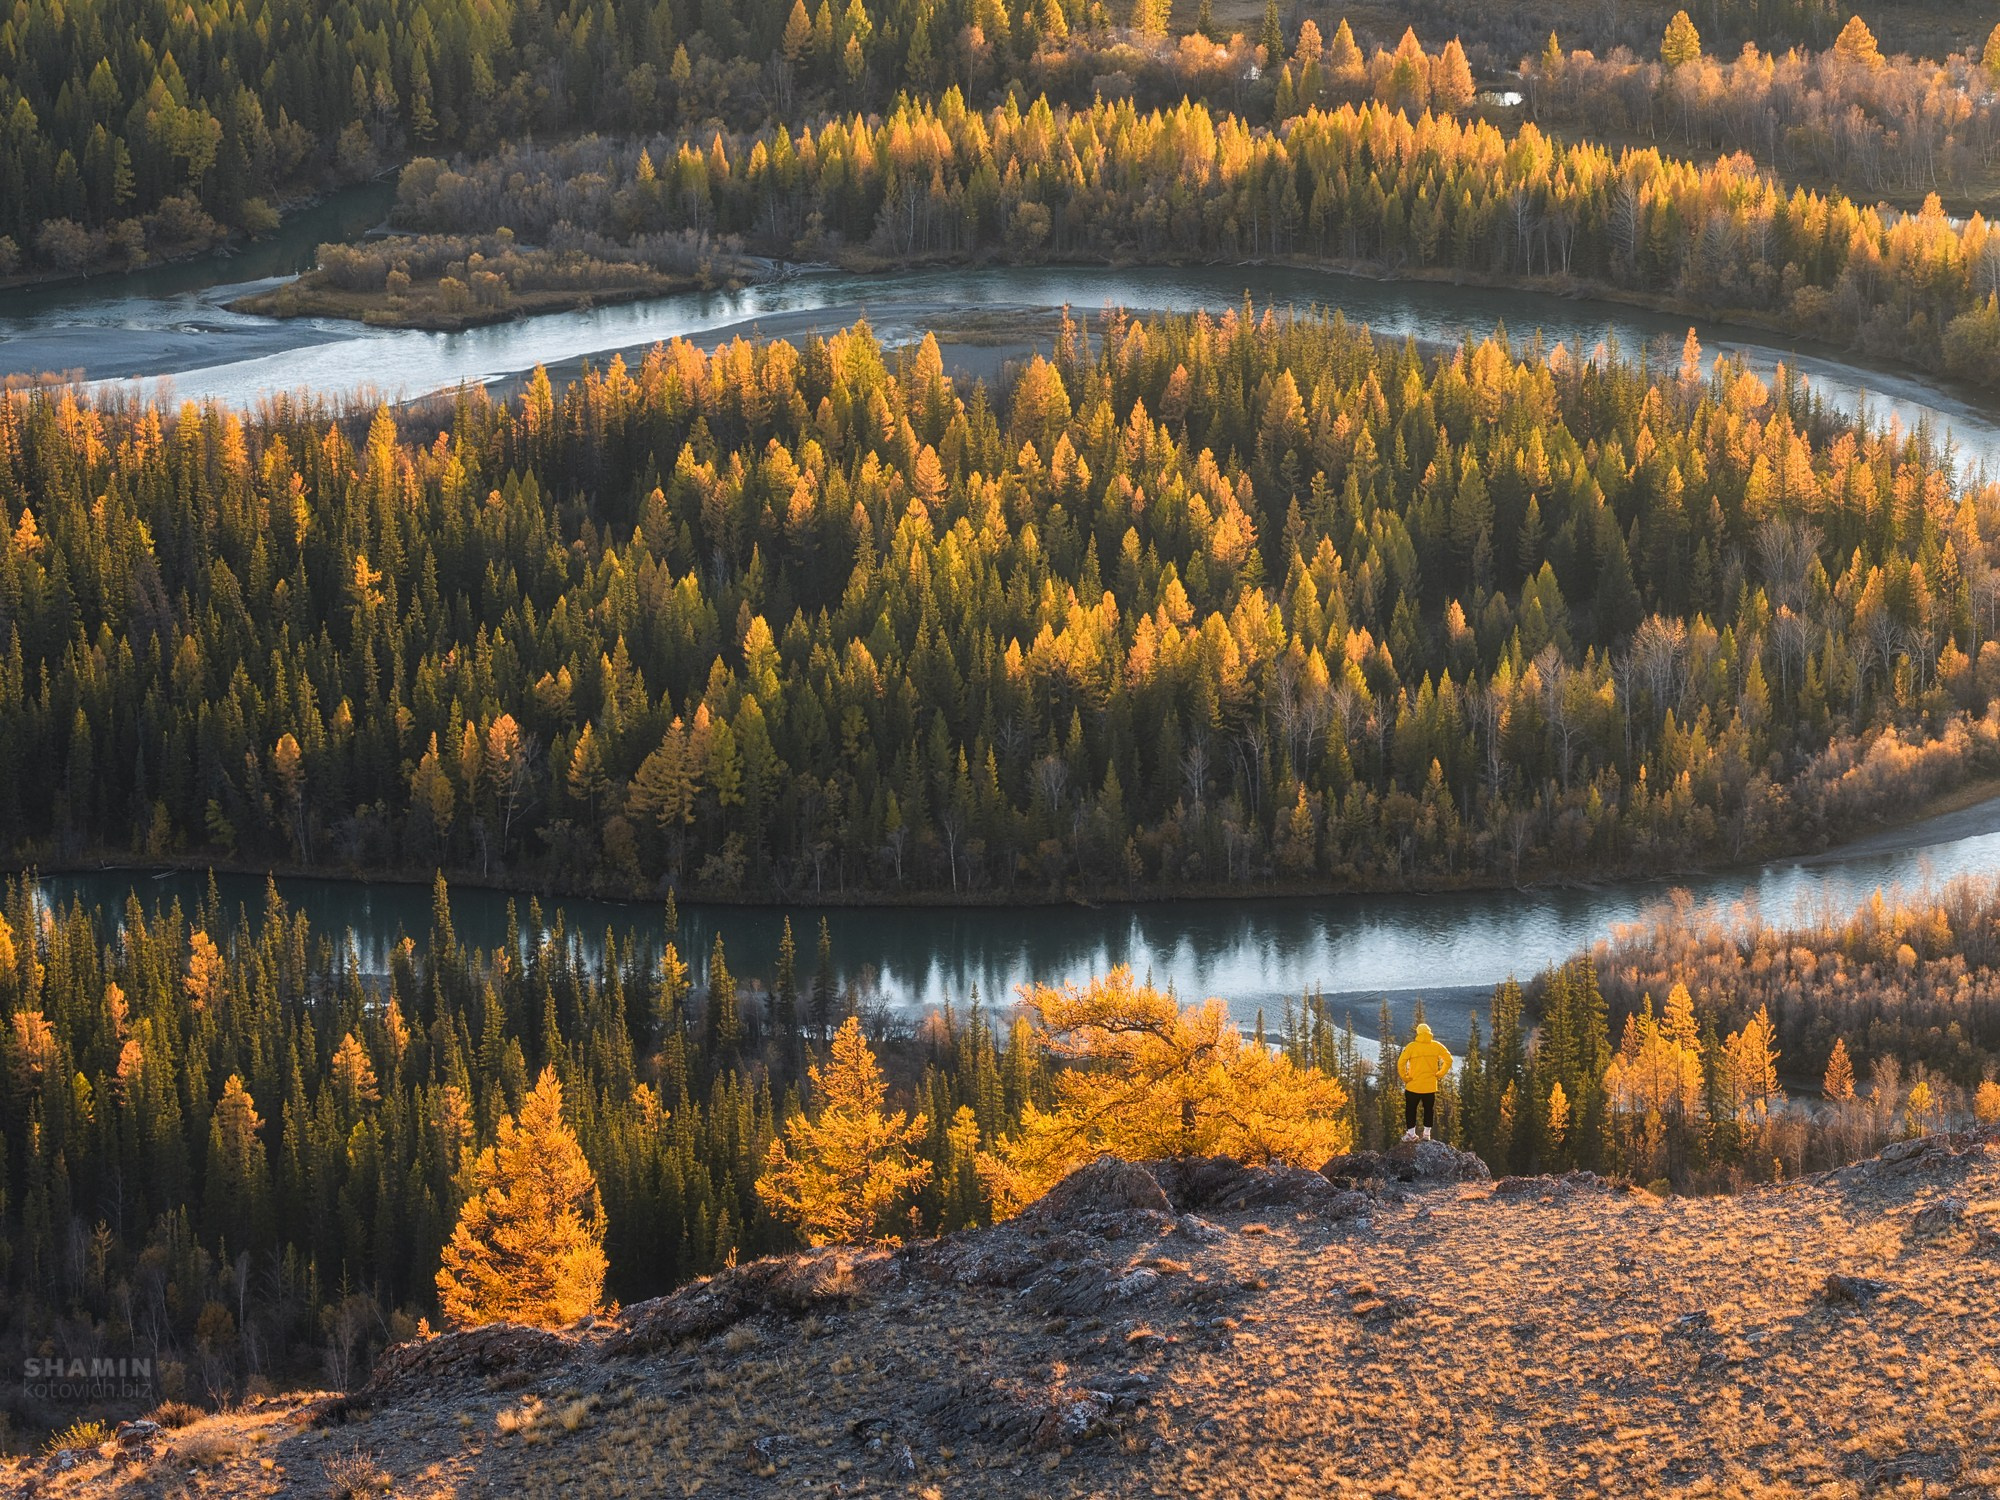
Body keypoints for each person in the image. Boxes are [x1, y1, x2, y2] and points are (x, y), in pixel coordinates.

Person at [1397, 1023, 1453, 1142]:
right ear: (1429, 1032)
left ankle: (1411, 1135)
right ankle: (1427, 1134)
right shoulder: (1436, 1046)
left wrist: (1405, 1077)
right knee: (1429, 1110)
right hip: (1430, 1086)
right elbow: (1449, 1060)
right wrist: (1440, 1074)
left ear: (1418, 1033)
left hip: (1413, 1086)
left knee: (1411, 1110)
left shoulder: (1412, 1046)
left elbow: (1401, 1063)